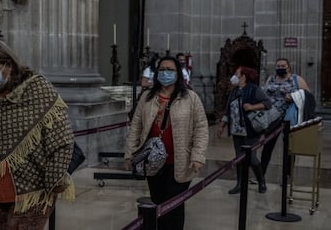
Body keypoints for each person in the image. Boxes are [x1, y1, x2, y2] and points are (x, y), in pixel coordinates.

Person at [0, 38, 75, 229]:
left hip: (32, 190)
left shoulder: (37, 89)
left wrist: (53, 181)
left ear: (8, 65)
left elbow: (62, 138)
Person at [125, 56, 209, 230]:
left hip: (180, 162)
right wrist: (130, 153)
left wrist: (198, 155)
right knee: (158, 202)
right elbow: (136, 126)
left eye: (170, 70)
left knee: (174, 206)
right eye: (162, 70)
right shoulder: (147, 97)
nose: (166, 73)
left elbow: (201, 128)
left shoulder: (190, 98)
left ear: (178, 74)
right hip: (153, 162)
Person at [216, 66, 271, 194]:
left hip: (251, 130)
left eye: (236, 74)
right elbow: (228, 109)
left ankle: (261, 181)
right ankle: (240, 184)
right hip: (236, 130)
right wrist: (222, 125)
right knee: (239, 158)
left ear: (243, 76)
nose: (234, 77)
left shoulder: (254, 89)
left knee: (251, 158)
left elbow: (268, 103)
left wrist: (252, 106)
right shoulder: (234, 91)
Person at [260, 58, 310, 175]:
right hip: (272, 117)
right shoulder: (271, 79)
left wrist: (293, 96)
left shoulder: (296, 79)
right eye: (278, 66)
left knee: (289, 147)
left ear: (288, 67)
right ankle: (260, 174)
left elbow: (307, 94)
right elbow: (264, 94)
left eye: (283, 66)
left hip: (289, 118)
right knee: (267, 145)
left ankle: (287, 176)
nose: (280, 68)